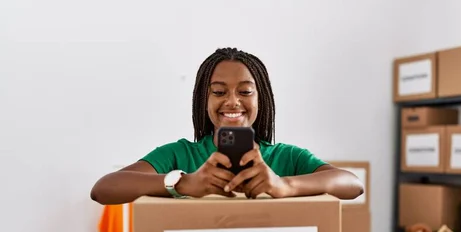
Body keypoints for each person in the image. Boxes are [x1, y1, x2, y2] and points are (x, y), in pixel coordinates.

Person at [90, 47, 364, 205]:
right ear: (203, 100)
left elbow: (352, 185)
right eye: (219, 92)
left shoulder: (286, 157)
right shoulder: (179, 154)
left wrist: (284, 185)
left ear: (261, 99)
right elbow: (104, 189)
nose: (232, 102)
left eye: (245, 92)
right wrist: (184, 183)